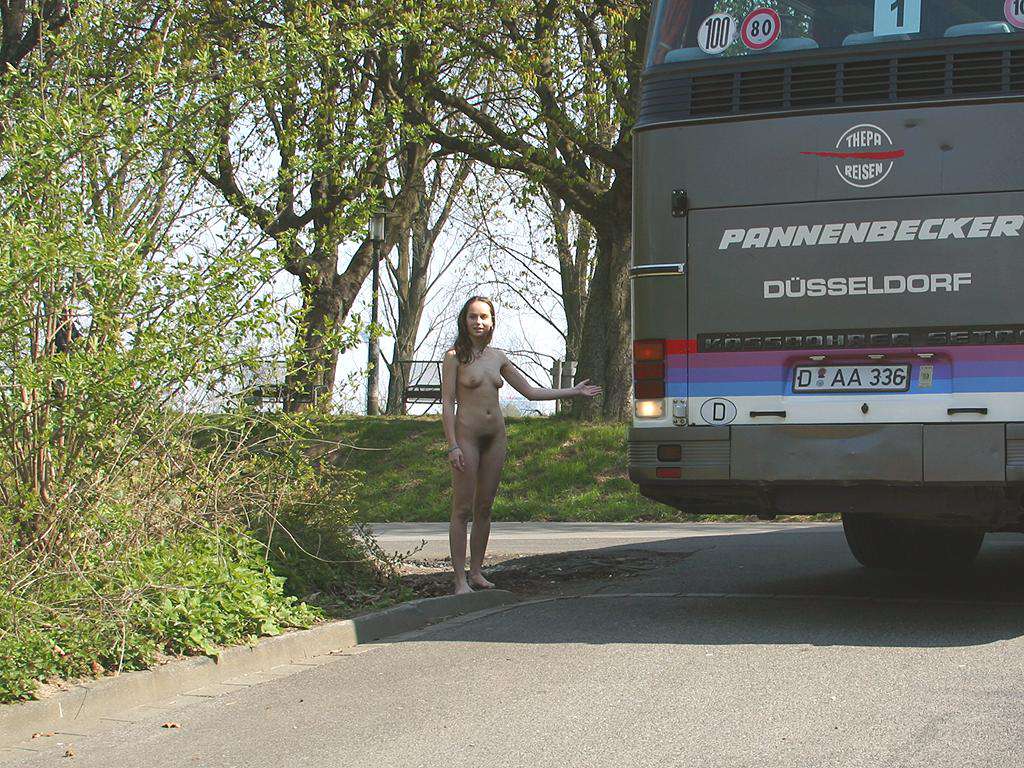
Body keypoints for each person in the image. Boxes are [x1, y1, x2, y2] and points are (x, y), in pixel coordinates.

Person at [440, 296, 602, 595]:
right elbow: (448, 403)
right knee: (462, 509)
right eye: (473, 316)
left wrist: (573, 391)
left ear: (492, 322)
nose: (478, 322)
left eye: (484, 317)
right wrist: (453, 445)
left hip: (495, 437)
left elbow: (530, 391)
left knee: (484, 507)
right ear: (465, 321)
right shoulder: (454, 357)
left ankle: (476, 572)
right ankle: (459, 580)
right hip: (466, 437)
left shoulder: (498, 357)